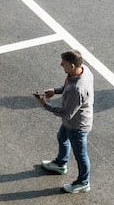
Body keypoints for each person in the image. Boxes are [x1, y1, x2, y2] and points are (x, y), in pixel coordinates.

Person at [35, 50, 94, 194]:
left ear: (72, 66)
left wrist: (45, 105)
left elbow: (67, 113)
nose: (61, 64)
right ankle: (60, 164)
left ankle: (83, 183)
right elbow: (68, 85)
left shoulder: (77, 89)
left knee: (81, 155)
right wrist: (56, 91)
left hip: (77, 125)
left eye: (64, 63)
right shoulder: (84, 70)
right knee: (62, 137)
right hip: (72, 122)